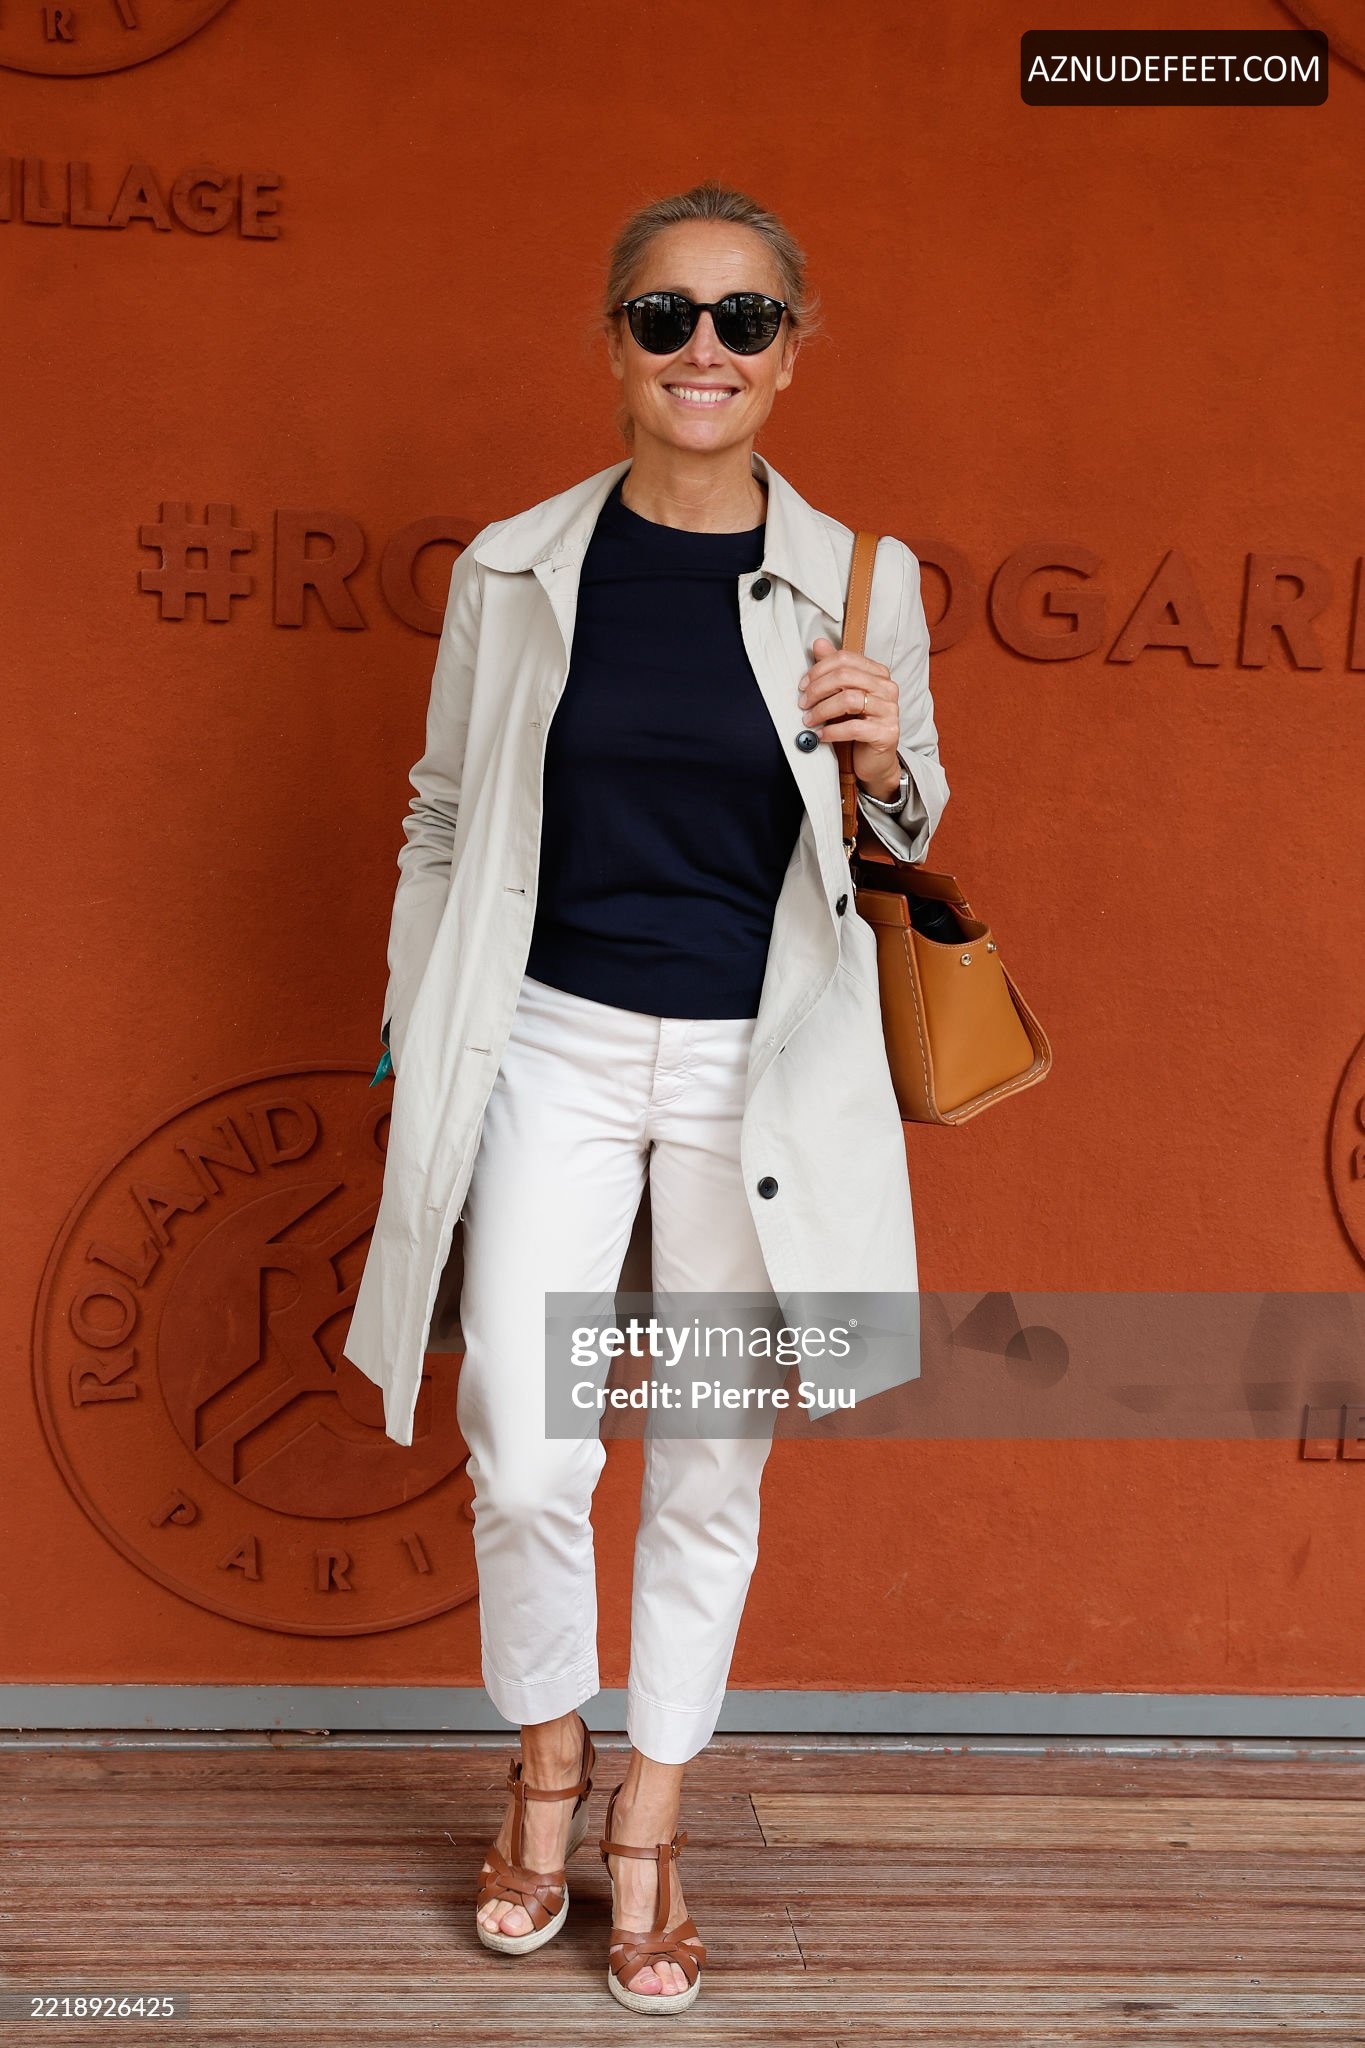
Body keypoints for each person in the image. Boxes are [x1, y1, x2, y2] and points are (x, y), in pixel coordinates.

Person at [343, 178, 949, 2015]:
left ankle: (649, 1818)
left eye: (742, 319)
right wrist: (425, 1010)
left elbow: (906, 832)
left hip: (756, 1078)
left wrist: (883, 760)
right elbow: (441, 814)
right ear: (612, 342)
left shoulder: (861, 580)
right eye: (666, 315)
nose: (704, 349)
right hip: (553, 1041)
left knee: (705, 1461)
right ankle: (545, 1761)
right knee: (527, 1447)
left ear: (790, 354)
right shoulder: (516, 567)